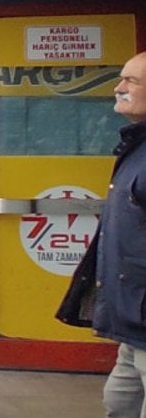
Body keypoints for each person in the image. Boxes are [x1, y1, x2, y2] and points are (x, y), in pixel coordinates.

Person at [95, 51, 146, 417]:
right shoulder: (136, 146)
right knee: (119, 403)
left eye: (131, 81)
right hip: (132, 324)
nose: (119, 88)